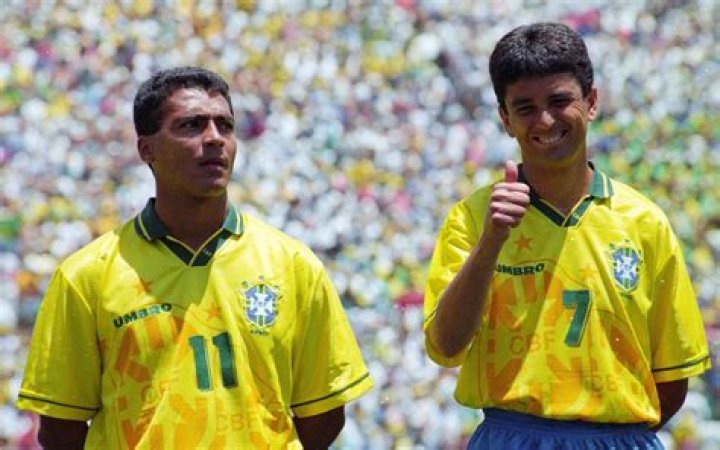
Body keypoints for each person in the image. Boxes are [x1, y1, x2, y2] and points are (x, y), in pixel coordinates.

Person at [16, 66, 373, 449]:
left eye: (225, 126)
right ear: (146, 149)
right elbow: (60, 427)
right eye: (192, 125)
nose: (215, 138)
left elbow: (324, 413)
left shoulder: (293, 265)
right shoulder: (86, 276)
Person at [423, 22, 710, 449]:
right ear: (505, 119)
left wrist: (604, 435)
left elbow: (672, 377)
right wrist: (491, 243)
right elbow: (445, 346)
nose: (545, 120)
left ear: (591, 102)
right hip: (511, 437)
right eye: (525, 108)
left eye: (559, 101)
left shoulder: (644, 222)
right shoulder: (472, 219)